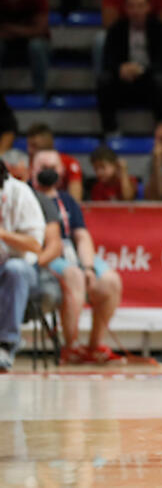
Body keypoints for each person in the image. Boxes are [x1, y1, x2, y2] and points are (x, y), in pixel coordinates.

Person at [31, 150, 124, 363]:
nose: (48, 171)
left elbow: (82, 236)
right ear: (32, 169)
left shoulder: (67, 200)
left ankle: (94, 345)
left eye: (53, 167)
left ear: (61, 171)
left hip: (70, 252)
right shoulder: (28, 196)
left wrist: (89, 267)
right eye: (43, 167)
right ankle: (70, 346)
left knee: (111, 281)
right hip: (45, 253)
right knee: (74, 275)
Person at [95, 0, 162, 136]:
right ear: (126, 8)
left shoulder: (160, 29)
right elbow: (108, 60)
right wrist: (120, 68)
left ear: (148, 7)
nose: (136, 11)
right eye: (132, 6)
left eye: (140, 6)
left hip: (149, 80)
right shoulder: (116, 29)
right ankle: (110, 130)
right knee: (104, 80)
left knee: (161, 81)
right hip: (123, 81)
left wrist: (140, 70)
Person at [0, 160, 45, 371]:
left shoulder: (20, 194)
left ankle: (6, 344)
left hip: (22, 271)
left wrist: (2, 234)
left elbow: (35, 245)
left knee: (15, 269)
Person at [0, 0, 51, 101]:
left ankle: (40, 95)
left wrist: (8, 28)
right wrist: (26, 30)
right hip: (7, 44)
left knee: (37, 46)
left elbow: (40, 30)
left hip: (35, 43)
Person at [24, 122, 83, 202]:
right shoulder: (25, 165)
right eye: (30, 145)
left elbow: (75, 200)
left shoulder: (69, 162)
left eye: (35, 145)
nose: (30, 150)